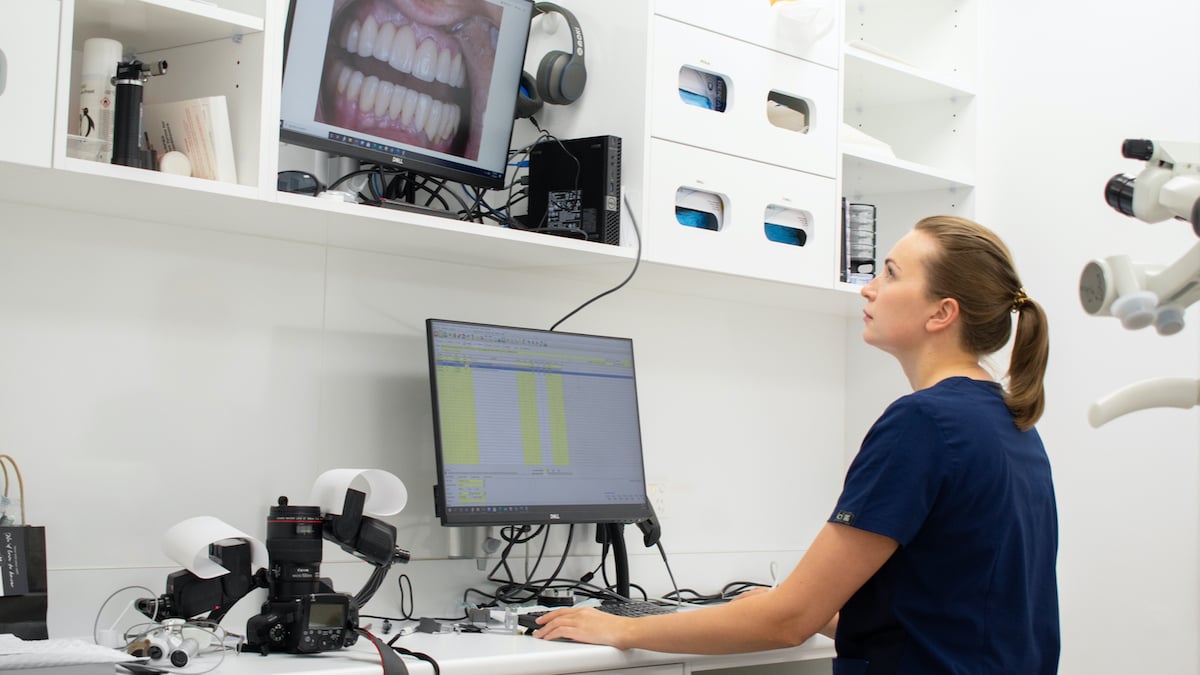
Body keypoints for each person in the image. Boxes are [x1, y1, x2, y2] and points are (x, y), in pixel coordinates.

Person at [532, 215, 1059, 674]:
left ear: (942, 313)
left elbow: (787, 624)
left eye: (891, 273)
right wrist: (782, 606)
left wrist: (620, 629)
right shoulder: (1010, 423)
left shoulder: (924, 422)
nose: (869, 288)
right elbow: (949, 608)